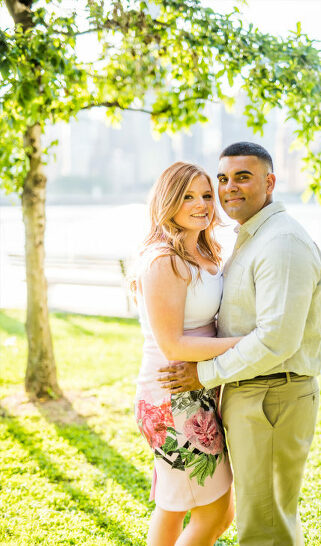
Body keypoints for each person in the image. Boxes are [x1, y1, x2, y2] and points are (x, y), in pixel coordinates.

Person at [159, 142, 321, 545]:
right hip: (253, 394)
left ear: (269, 183)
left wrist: (204, 374)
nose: (228, 188)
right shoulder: (254, 236)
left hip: (272, 395)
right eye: (223, 179)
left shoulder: (281, 244)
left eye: (242, 177)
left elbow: (276, 342)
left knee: (265, 527)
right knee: (262, 515)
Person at [133, 161, 237, 545]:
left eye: (207, 195)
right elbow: (173, 344)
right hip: (172, 398)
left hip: (198, 393)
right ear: (168, 201)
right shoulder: (164, 260)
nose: (201, 204)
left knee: (181, 506)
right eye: (188, 196)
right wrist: (248, 344)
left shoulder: (205, 252)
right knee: (213, 513)